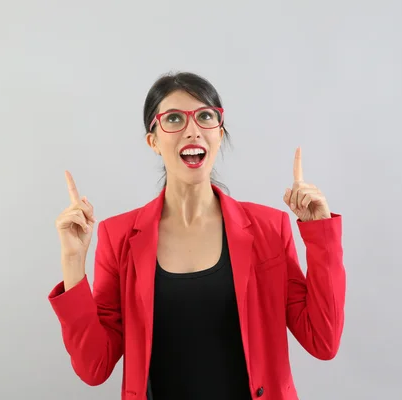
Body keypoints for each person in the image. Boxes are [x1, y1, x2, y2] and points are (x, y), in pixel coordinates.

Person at [48, 72, 346, 400]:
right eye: (174, 118)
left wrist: (321, 235)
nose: (193, 130)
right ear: (153, 141)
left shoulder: (269, 229)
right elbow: (94, 366)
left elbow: (323, 340)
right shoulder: (120, 237)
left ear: (220, 134)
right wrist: (73, 261)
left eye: (205, 117)